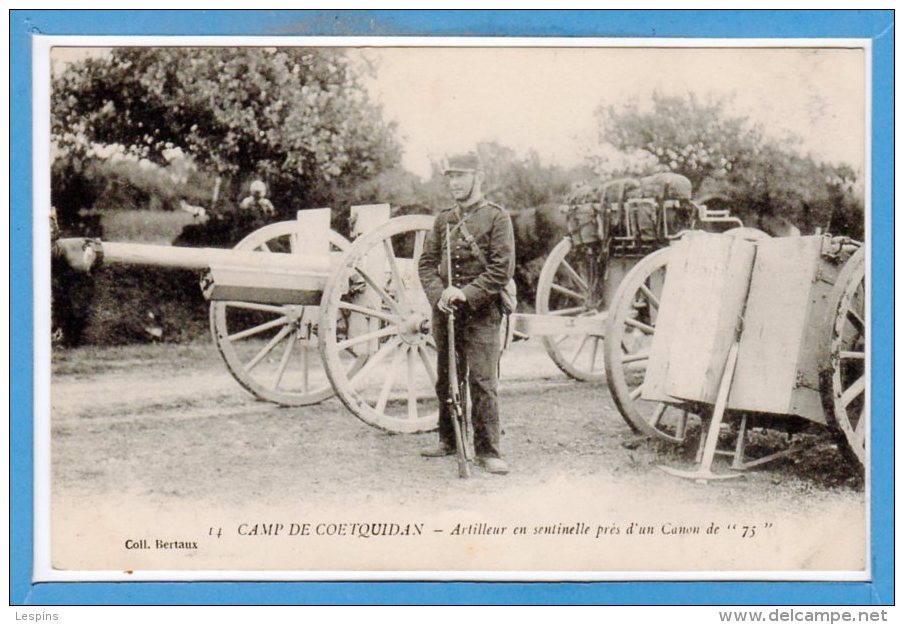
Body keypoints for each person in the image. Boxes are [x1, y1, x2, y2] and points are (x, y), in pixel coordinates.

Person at [417, 152, 516, 475]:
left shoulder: (497, 218)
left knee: (482, 381)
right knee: (447, 378)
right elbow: (426, 264)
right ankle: (449, 440)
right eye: (450, 177)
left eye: (461, 176)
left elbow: (502, 270)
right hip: (446, 312)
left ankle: (488, 450)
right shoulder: (443, 219)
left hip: (482, 313)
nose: (454, 183)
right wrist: (439, 295)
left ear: (479, 177)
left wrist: (465, 293)